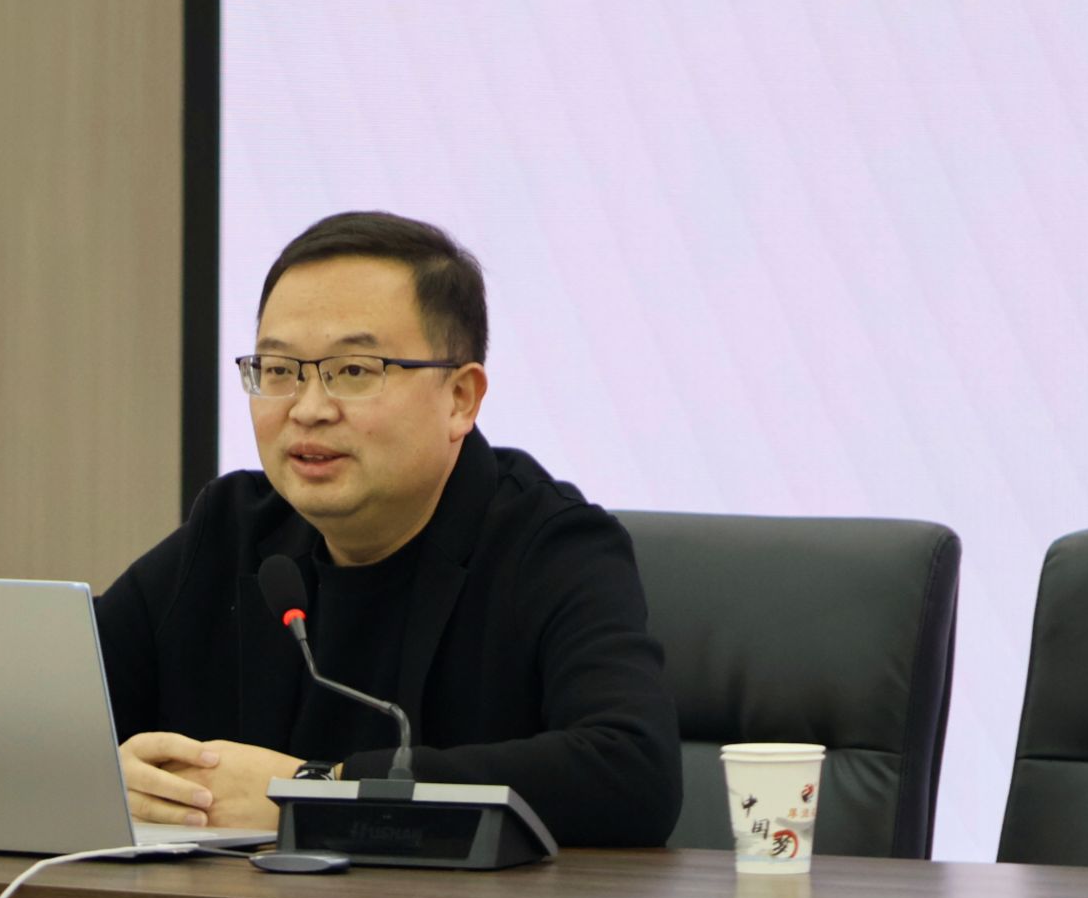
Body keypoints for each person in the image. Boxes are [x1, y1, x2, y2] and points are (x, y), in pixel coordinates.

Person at [93, 212, 681, 847]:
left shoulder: (551, 546)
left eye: (353, 371)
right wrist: (111, 773)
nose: (309, 409)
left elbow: (633, 772)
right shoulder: (230, 531)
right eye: (280, 370)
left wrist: (319, 791)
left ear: (461, 398)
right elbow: (50, 715)